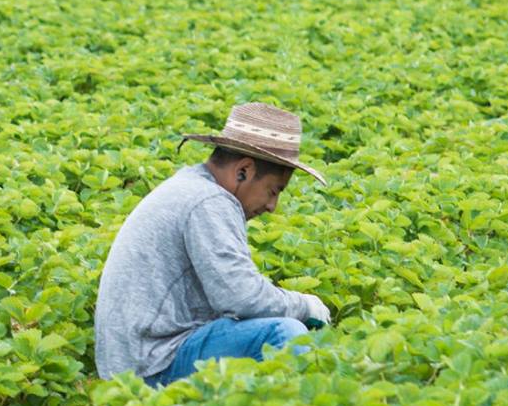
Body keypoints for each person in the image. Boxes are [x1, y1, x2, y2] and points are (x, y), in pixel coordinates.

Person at [95, 102, 331, 384]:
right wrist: (307, 306)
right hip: (151, 366)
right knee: (285, 335)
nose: (272, 206)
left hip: (137, 359)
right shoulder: (209, 201)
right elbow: (242, 297)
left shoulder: (191, 186)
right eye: (273, 191)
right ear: (243, 170)